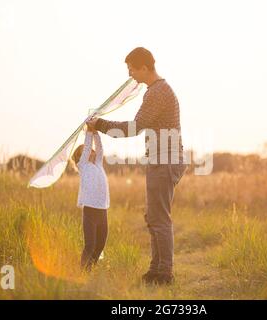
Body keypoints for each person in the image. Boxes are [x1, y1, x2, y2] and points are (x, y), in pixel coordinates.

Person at [86, 47, 187, 284]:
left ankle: (165, 273)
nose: (130, 74)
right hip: (161, 158)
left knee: (159, 217)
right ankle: (156, 269)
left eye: (131, 68)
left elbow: (134, 127)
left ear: (144, 67)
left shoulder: (157, 92)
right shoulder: (157, 90)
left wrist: (99, 124)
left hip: (164, 159)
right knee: (153, 216)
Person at [71, 127, 110, 271]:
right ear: (80, 158)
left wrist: (95, 132)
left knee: (100, 244)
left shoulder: (98, 164)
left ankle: (90, 269)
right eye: (86, 152)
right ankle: (83, 271)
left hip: (102, 210)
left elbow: (99, 148)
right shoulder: (84, 166)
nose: (91, 151)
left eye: (91, 150)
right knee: (90, 245)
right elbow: (87, 147)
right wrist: (88, 133)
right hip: (90, 211)